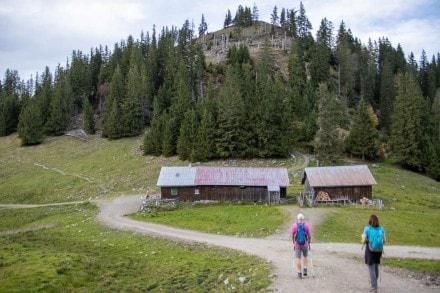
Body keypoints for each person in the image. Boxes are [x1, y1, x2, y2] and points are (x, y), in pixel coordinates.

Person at [362, 214, 386, 292]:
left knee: (371, 268)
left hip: (370, 251)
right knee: (375, 267)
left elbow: (363, 241)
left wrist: (362, 237)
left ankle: (374, 287)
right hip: (379, 251)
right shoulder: (382, 229)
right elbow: (384, 241)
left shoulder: (367, 229)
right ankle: (375, 285)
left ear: (370, 220)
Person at [291, 213, 312, 279]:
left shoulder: (294, 226)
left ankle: (299, 273)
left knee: (298, 259)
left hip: (297, 245)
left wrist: (294, 242)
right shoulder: (306, 226)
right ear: (303, 219)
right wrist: (309, 242)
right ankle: (305, 270)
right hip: (305, 244)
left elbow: (292, 235)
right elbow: (309, 236)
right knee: (305, 257)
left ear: (297, 219)